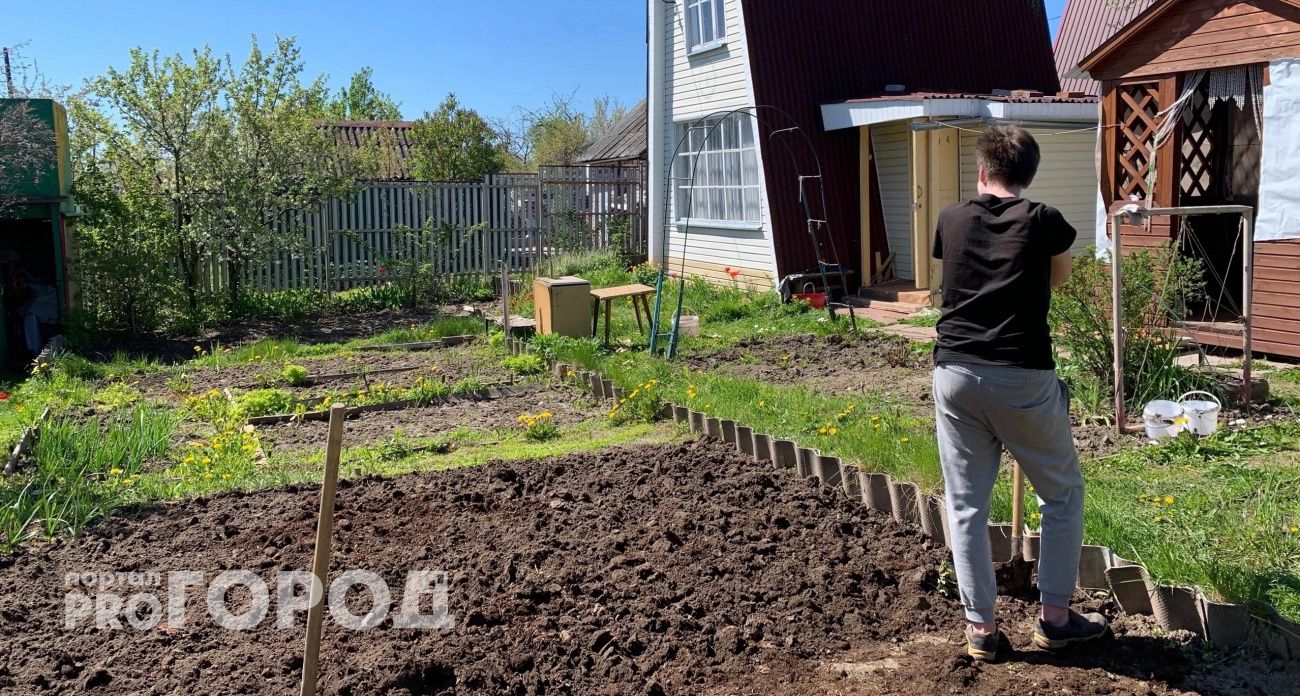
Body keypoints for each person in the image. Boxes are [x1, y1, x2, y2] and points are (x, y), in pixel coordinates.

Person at [931, 126, 1108, 661]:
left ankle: (981, 631)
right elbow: (1057, 280)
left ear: (981, 172)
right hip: (1022, 375)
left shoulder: (950, 217)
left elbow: (960, 275)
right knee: (1061, 493)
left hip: (955, 373)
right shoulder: (1044, 220)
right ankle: (1054, 618)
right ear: (1029, 176)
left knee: (965, 505)